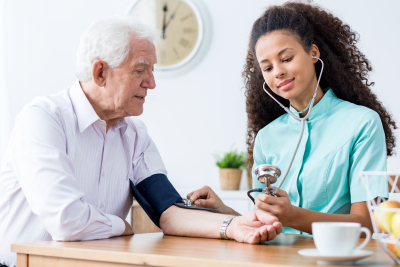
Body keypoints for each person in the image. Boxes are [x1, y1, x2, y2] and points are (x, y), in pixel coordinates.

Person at [0, 17, 283, 267]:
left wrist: (233, 226)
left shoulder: (135, 135)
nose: (151, 82)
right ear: (100, 72)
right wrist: (121, 225)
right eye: (140, 70)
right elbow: (66, 221)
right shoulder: (42, 120)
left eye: (152, 70)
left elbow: (169, 211)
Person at [188, 2, 396, 235]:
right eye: (267, 68)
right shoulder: (266, 138)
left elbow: (370, 224)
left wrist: (294, 216)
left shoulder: (362, 124)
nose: (277, 72)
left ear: (313, 53)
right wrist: (224, 210)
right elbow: (270, 226)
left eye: (286, 58)